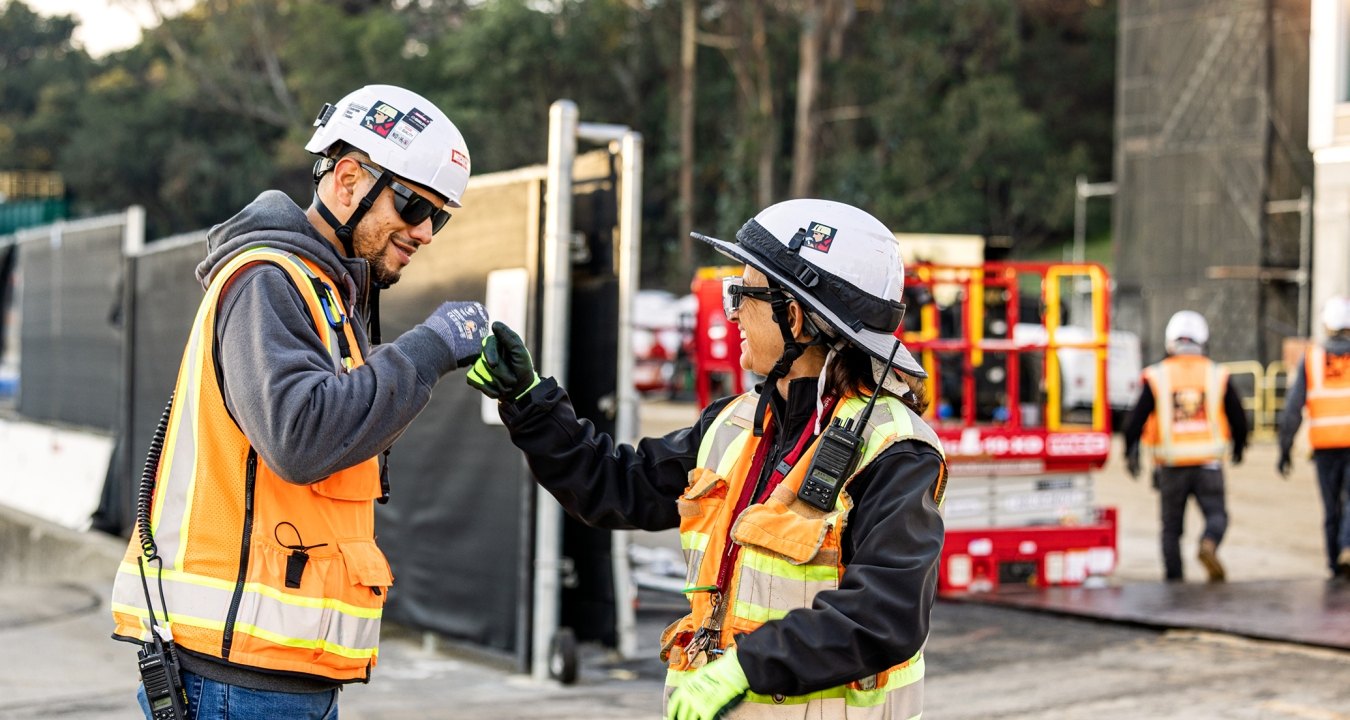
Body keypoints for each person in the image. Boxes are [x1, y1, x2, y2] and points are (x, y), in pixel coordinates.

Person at [467, 199, 947, 720]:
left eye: (743, 295)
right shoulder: (736, 423)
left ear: (796, 317)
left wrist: (746, 666)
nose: (732, 311)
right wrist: (529, 402)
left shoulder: (895, 451)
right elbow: (616, 486)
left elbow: (886, 615)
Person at [109, 84, 488, 720]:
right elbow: (302, 437)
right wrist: (428, 348)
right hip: (234, 678)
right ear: (347, 179)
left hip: (274, 672)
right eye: (414, 204)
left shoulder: (324, 292)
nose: (425, 232)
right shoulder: (268, 280)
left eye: (439, 217)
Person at [1122, 310, 1248, 583]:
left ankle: (1174, 583)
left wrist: (1129, 451)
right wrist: (1240, 446)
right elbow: (1239, 416)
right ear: (1204, 341)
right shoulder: (1217, 374)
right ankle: (1209, 543)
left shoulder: (1157, 375)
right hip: (1208, 464)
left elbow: (1135, 419)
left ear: (1170, 342)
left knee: (1171, 529)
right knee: (1217, 515)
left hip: (1170, 466)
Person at [1277, 295, 1350, 579]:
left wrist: (1284, 447)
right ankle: (1348, 547)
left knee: (1331, 507)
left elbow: (1293, 409)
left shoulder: (1313, 359)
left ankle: (1335, 564)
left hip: (1325, 447)